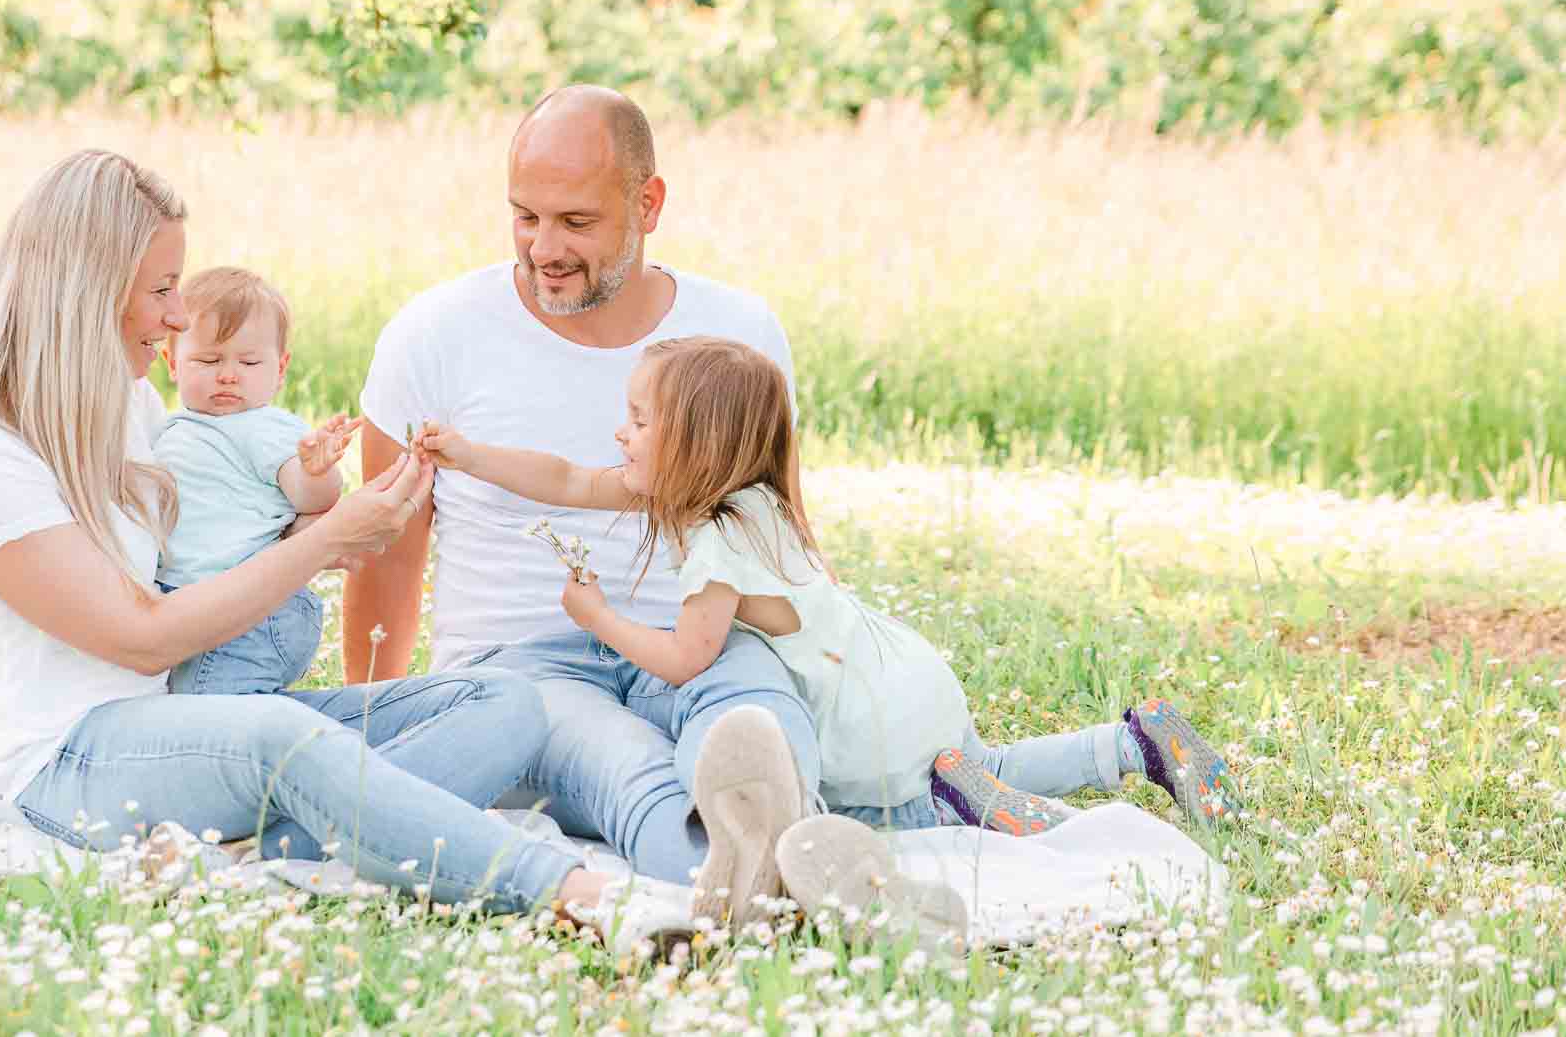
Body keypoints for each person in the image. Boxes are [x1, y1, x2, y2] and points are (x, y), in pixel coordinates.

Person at [0, 149, 688, 946]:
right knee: (282, 740)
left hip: (182, 717)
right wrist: (323, 545)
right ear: (87, 286)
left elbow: (201, 542)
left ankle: (252, 851)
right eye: (163, 290)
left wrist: (310, 521)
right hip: (66, 761)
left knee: (509, 702)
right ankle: (584, 894)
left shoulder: (121, 403)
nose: (176, 318)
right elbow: (141, 634)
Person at [415, 334, 1238, 842]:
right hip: (901, 677)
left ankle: (970, 814)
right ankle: (1130, 744)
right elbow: (562, 477)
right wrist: (470, 452)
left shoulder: (715, 548)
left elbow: (682, 660)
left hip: (851, 715)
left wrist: (598, 616)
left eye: (638, 418)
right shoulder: (749, 496)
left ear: (695, 443)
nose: (619, 432)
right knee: (982, 760)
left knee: (885, 819)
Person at [345, 85, 830, 926]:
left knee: (756, 710)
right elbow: (386, 554)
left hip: (693, 638)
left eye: (575, 221)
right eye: (524, 217)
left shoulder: (738, 331)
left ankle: (804, 844)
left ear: (649, 204)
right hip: (522, 671)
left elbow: (774, 528)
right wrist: (378, 741)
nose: (544, 249)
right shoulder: (433, 335)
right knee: (623, 760)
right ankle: (719, 868)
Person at [153, 265, 360, 695]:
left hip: (259, 611)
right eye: (208, 360)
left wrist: (316, 471)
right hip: (199, 606)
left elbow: (309, 498)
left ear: (280, 369)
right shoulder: (173, 428)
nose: (228, 374)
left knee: (212, 715)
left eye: (249, 362)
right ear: (172, 363)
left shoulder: (265, 427)